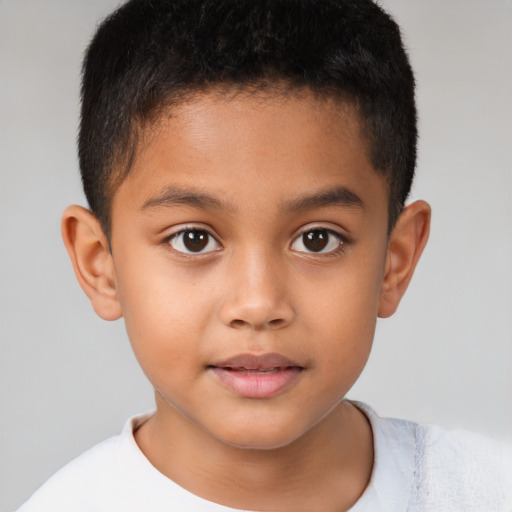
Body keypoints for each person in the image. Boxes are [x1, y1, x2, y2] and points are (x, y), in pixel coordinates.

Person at [16, 0, 512, 511]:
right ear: (101, 264)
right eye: (193, 239)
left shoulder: (484, 491)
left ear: (395, 260)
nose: (257, 304)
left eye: (318, 239)